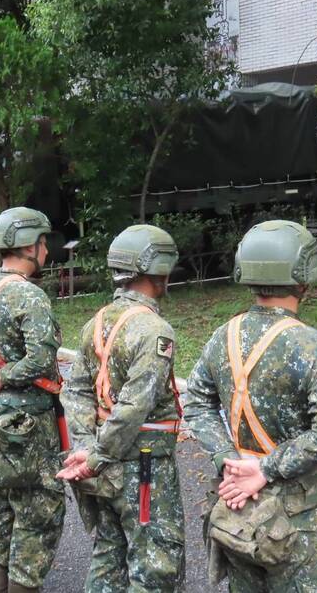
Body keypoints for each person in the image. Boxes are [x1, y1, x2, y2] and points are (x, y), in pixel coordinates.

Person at [184, 220, 317, 592]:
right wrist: (266, 468)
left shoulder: (221, 336)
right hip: (299, 515)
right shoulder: (313, 346)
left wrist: (226, 458)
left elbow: (196, 402)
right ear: (303, 275)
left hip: (238, 507)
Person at [57, 224, 185, 592]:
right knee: (155, 562)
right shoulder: (154, 330)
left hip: (102, 465)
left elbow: (76, 390)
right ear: (156, 269)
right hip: (142, 465)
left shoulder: (95, 323)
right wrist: (95, 456)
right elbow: (134, 406)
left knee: (108, 555)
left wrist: (85, 448)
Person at [0, 207, 65, 593]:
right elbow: (41, 359)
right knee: (40, 509)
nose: (46, 251)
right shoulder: (28, 294)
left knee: (5, 501)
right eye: (43, 243)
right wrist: (6, 374)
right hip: (30, 418)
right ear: (30, 246)